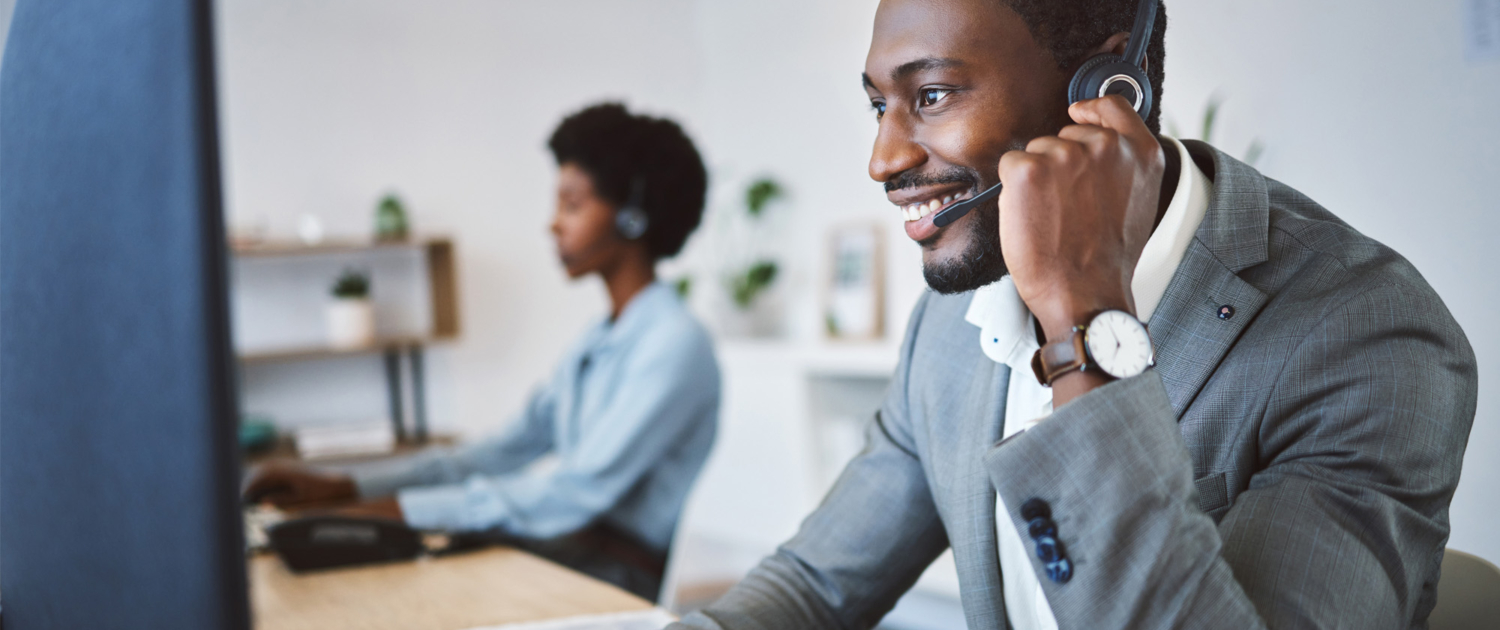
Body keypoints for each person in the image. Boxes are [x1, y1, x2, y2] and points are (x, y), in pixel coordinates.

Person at [670, 1, 1476, 628]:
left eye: (934, 93)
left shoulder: (1366, 336)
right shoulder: (948, 328)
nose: (883, 159)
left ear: (1105, 93)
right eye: (881, 103)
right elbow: (815, 585)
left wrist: (1085, 324)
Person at [246, 102, 719, 602]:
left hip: (611, 575)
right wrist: (347, 487)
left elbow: (573, 494)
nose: (553, 224)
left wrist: (397, 511)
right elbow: (499, 451)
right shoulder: (601, 337)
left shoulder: (675, 344)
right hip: (559, 549)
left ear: (631, 218)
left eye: (572, 205)